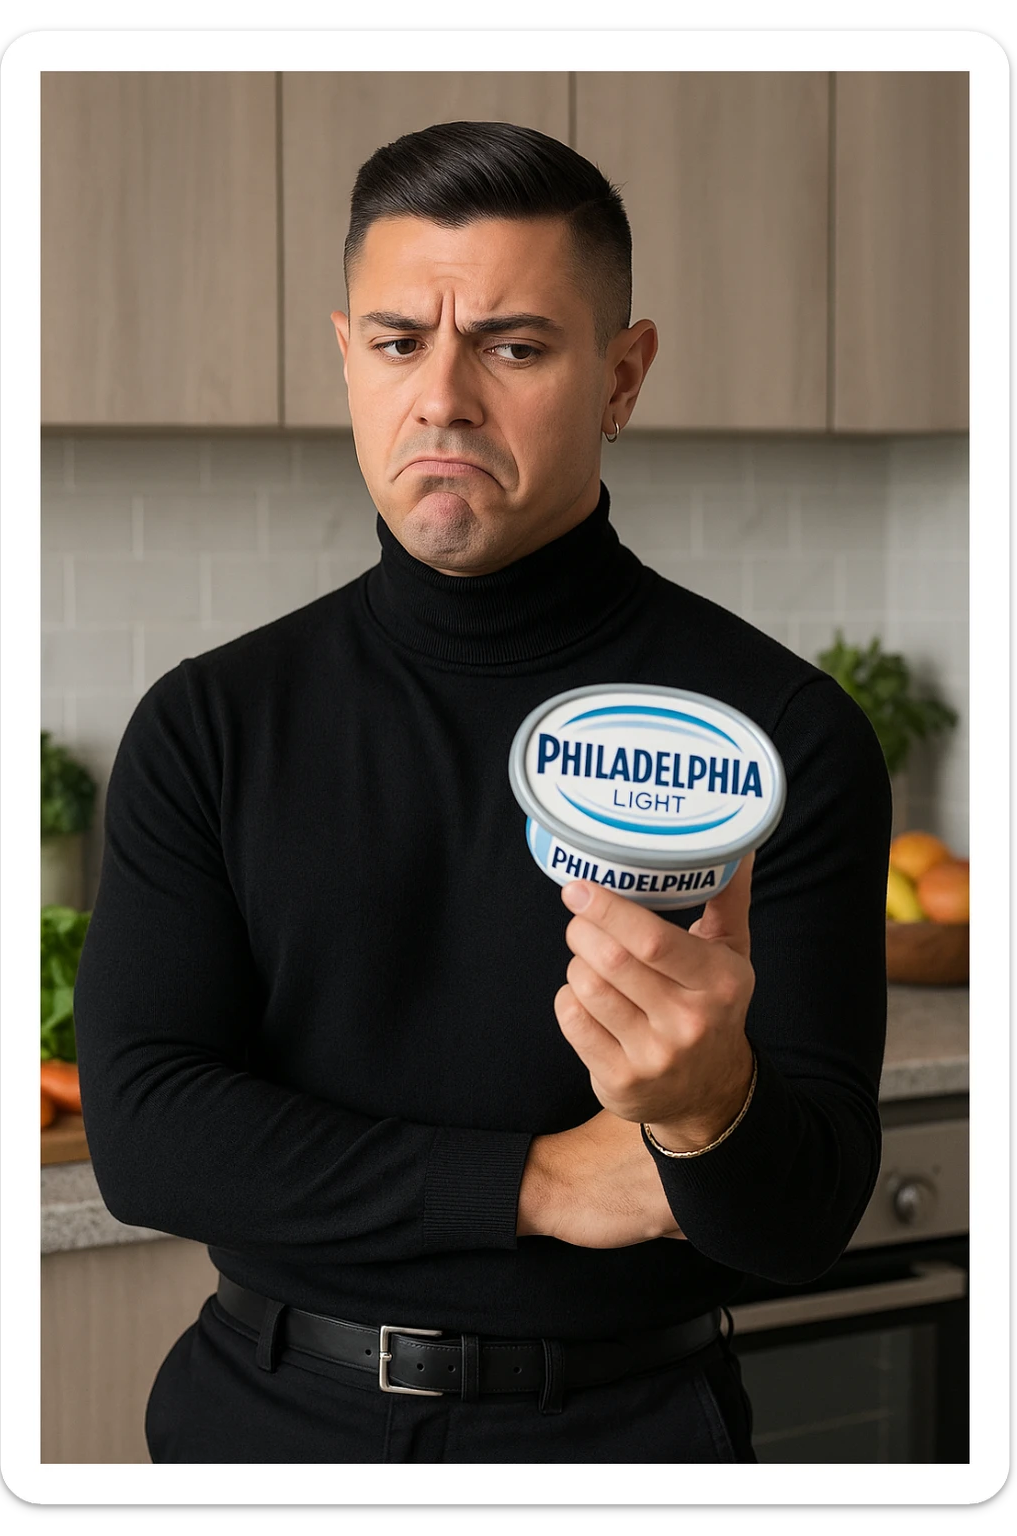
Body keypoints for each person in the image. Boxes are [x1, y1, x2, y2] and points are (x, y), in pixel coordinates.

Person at [73, 120, 891, 1466]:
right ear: (348, 358)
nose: (443, 397)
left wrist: (707, 1106)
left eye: (514, 345)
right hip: (263, 1422)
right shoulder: (211, 721)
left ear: (623, 376)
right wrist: (541, 1181)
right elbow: (149, 1133)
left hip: (632, 1435)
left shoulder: (776, 734)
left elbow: (796, 1224)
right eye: (400, 342)